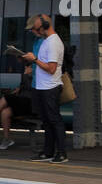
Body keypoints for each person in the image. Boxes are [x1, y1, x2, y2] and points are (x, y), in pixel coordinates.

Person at [20, 14, 67, 162]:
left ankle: (62, 153)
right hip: (42, 87)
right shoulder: (46, 41)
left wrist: (34, 59)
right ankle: (48, 152)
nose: (34, 32)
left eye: (35, 29)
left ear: (45, 26)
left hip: (50, 87)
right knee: (47, 121)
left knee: (54, 120)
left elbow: (51, 68)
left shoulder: (53, 42)